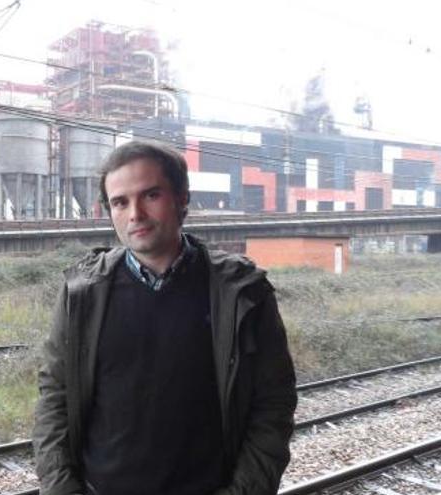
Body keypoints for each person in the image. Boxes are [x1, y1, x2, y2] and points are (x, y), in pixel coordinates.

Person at [33, 140, 297, 495]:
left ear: (182, 197)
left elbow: (273, 405)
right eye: (120, 202)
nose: (135, 214)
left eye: (151, 195)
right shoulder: (83, 293)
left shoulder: (242, 293)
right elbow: (54, 399)